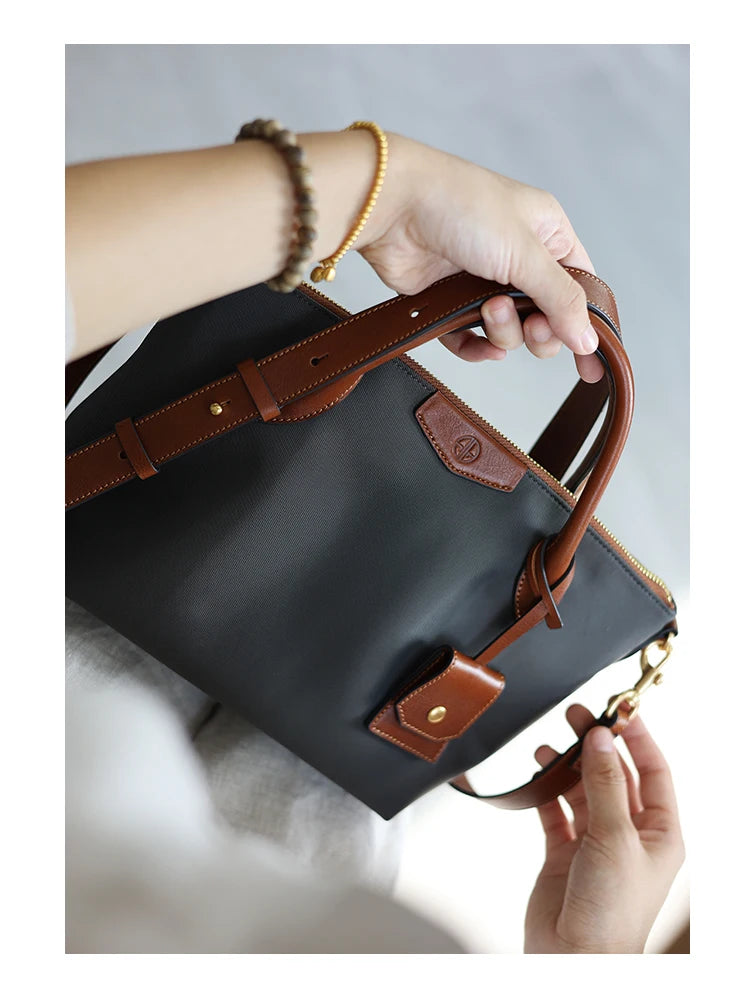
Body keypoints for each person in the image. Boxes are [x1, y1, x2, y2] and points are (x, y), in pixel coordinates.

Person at [65, 126, 685, 953]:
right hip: (298, 783)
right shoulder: (372, 937)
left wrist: (391, 190)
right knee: (320, 799)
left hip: (122, 644)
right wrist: (589, 966)